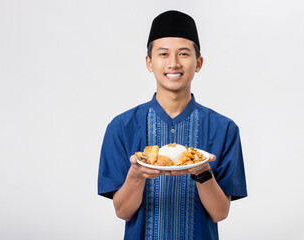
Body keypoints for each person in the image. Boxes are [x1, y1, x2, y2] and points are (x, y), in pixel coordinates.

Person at [98, 10, 247, 240]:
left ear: (198, 63)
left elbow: (219, 213)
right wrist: (136, 175)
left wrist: (203, 171)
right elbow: (123, 211)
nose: (174, 63)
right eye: (164, 54)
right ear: (149, 62)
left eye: (184, 54)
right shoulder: (121, 128)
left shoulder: (224, 129)